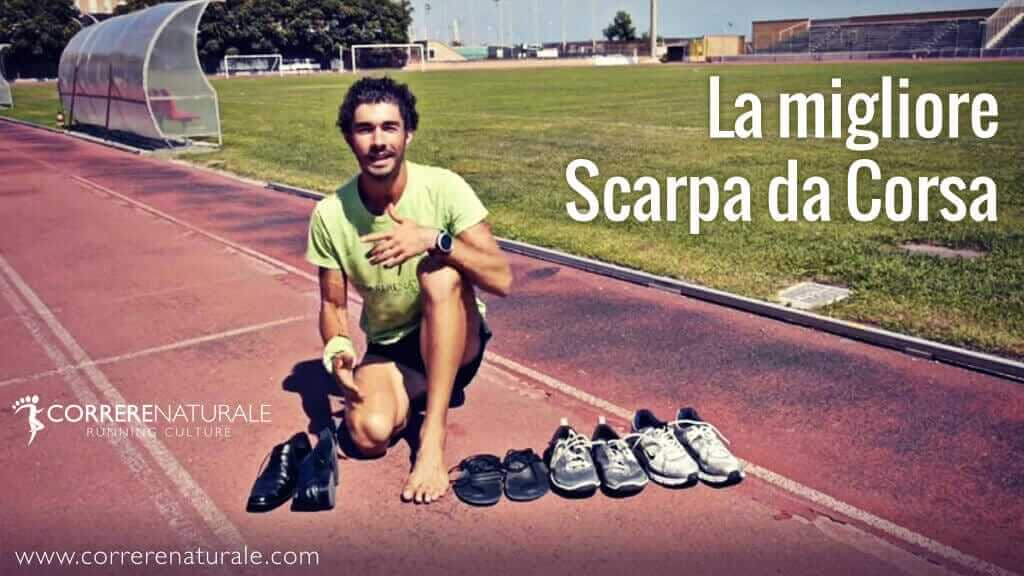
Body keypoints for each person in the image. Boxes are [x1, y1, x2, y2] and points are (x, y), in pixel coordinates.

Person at [305, 76, 512, 505]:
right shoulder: (329, 215)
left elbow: (501, 278)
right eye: (365, 129)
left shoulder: (445, 188)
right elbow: (332, 304)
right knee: (368, 434)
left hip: (459, 337)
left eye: (390, 127)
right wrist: (338, 347)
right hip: (392, 349)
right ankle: (421, 389)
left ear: (408, 134)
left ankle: (432, 435)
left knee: (439, 273)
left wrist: (435, 239)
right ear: (349, 138)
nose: (378, 141)